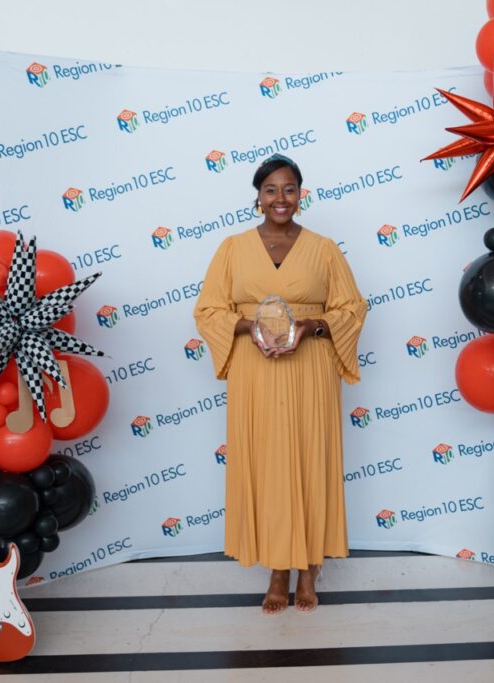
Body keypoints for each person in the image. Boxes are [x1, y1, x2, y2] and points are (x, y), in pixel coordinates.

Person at [193, 154, 367, 614]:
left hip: (310, 369)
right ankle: (276, 570)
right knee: (267, 465)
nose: (280, 198)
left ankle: (309, 568)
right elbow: (208, 310)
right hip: (255, 372)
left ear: (300, 195)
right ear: (258, 197)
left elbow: (351, 308)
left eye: (289, 189)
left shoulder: (323, 249)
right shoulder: (232, 248)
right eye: (271, 190)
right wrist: (249, 327)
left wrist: (311, 326)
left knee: (310, 461)